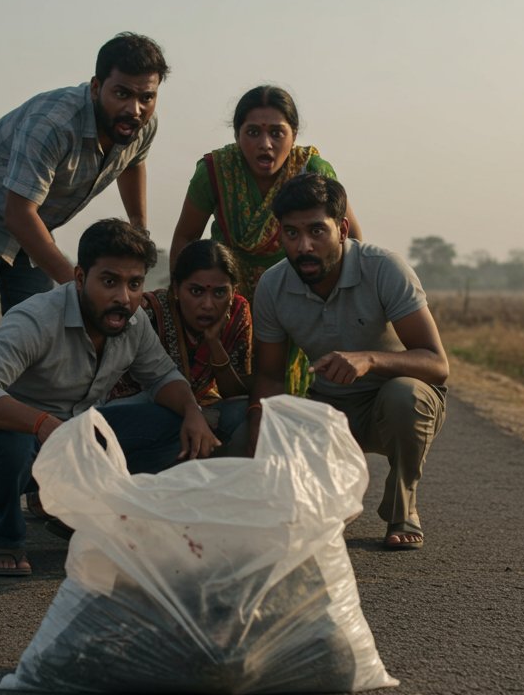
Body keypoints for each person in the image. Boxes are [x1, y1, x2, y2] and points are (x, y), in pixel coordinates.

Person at [0, 33, 169, 536]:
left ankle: (41, 482)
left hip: (28, 228)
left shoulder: (140, 125)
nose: (136, 107)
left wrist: (139, 234)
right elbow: (18, 211)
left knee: (43, 344)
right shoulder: (54, 123)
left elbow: (133, 162)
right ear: (98, 85)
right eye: (122, 93)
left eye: (147, 96)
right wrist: (75, 283)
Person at [0, 219, 217, 576]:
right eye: (109, 282)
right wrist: (43, 424)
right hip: (8, 443)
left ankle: (79, 510)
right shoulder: (37, 318)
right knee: (8, 439)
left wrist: (192, 411)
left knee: (172, 425)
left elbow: (163, 376)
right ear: (79, 278)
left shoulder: (132, 323)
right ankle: (6, 537)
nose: (123, 297)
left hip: (73, 439)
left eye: (134, 284)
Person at [249, 174, 448, 551]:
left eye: (316, 231)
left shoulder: (384, 268)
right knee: (306, 520)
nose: (303, 246)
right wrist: (261, 451)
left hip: (392, 406)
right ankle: (331, 497)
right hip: (330, 411)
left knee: (406, 397)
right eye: (291, 233)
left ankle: (402, 507)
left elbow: (437, 364)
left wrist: (370, 359)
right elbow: (270, 377)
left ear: (341, 229)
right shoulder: (273, 286)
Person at [167, 85, 360, 395]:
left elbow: (352, 241)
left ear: (294, 135)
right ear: (237, 135)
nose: (265, 144)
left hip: (297, 290)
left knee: (293, 386)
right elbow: (186, 237)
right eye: (253, 132)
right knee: (232, 388)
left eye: (276, 133)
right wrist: (182, 303)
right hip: (230, 297)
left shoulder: (314, 170)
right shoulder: (215, 171)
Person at [106, 239, 252, 452]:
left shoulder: (237, 312)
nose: (208, 304)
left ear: (233, 291)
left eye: (220, 293)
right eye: (196, 292)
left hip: (201, 406)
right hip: (141, 408)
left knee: (246, 412)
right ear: (176, 288)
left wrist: (214, 343)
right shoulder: (150, 312)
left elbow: (235, 393)